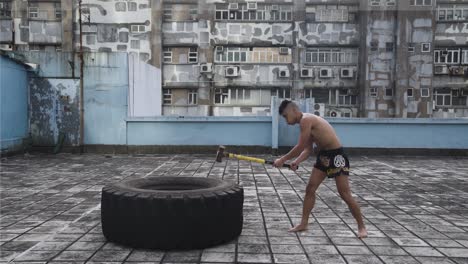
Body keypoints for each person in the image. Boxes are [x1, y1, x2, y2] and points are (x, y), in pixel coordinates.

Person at [273, 100, 367, 238]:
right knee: (310, 189)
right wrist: (296, 162)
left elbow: (299, 146)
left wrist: (282, 160)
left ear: (293, 111)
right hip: (323, 157)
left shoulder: (306, 119)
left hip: (336, 156)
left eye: (286, 116)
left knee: (344, 193)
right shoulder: (304, 124)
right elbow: (308, 149)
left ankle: (362, 227)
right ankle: (303, 223)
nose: (286, 121)